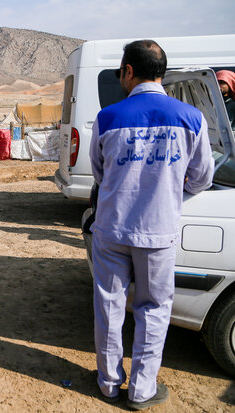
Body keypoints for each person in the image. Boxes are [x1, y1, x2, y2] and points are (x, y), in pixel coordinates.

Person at [89, 40, 214, 410]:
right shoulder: (192, 118)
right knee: (154, 309)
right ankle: (142, 391)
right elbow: (202, 177)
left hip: (112, 229)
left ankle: (109, 383)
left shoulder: (108, 118)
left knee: (109, 308)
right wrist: (170, 187)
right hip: (157, 232)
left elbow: (100, 172)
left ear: (129, 71)